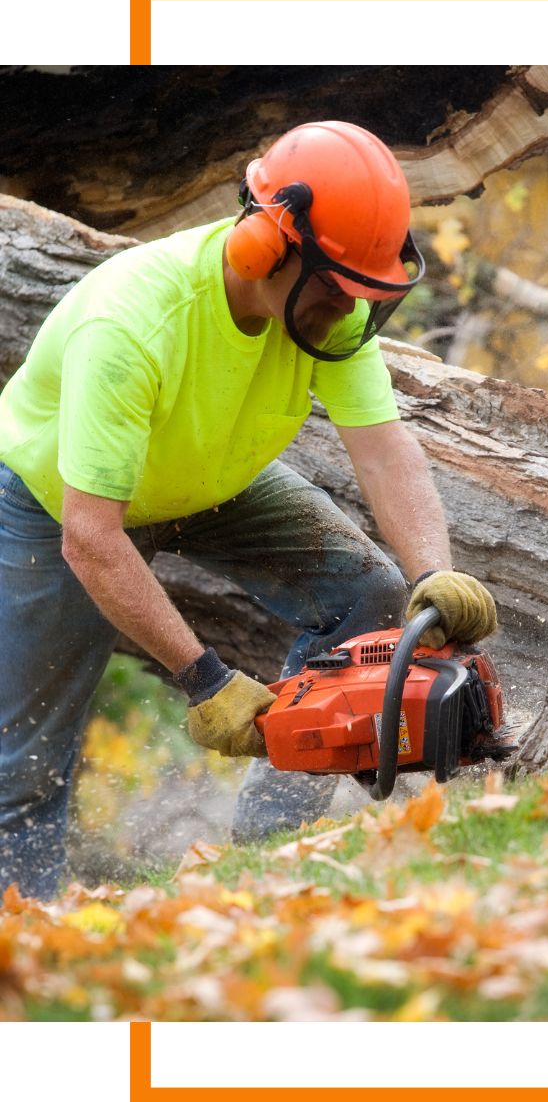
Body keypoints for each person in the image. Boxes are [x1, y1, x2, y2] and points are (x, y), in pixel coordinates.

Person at [0, 120, 497, 900]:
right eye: (334, 292)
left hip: (208, 481)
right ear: (265, 249)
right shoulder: (132, 325)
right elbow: (92, 537)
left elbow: (385, 449)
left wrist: (434, 574)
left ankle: (272, 858)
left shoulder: (328, 300)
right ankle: (23, 954)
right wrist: (205, 679)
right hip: (57, 500)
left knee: (365, 595)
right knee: (20, 765)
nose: (343, 313)